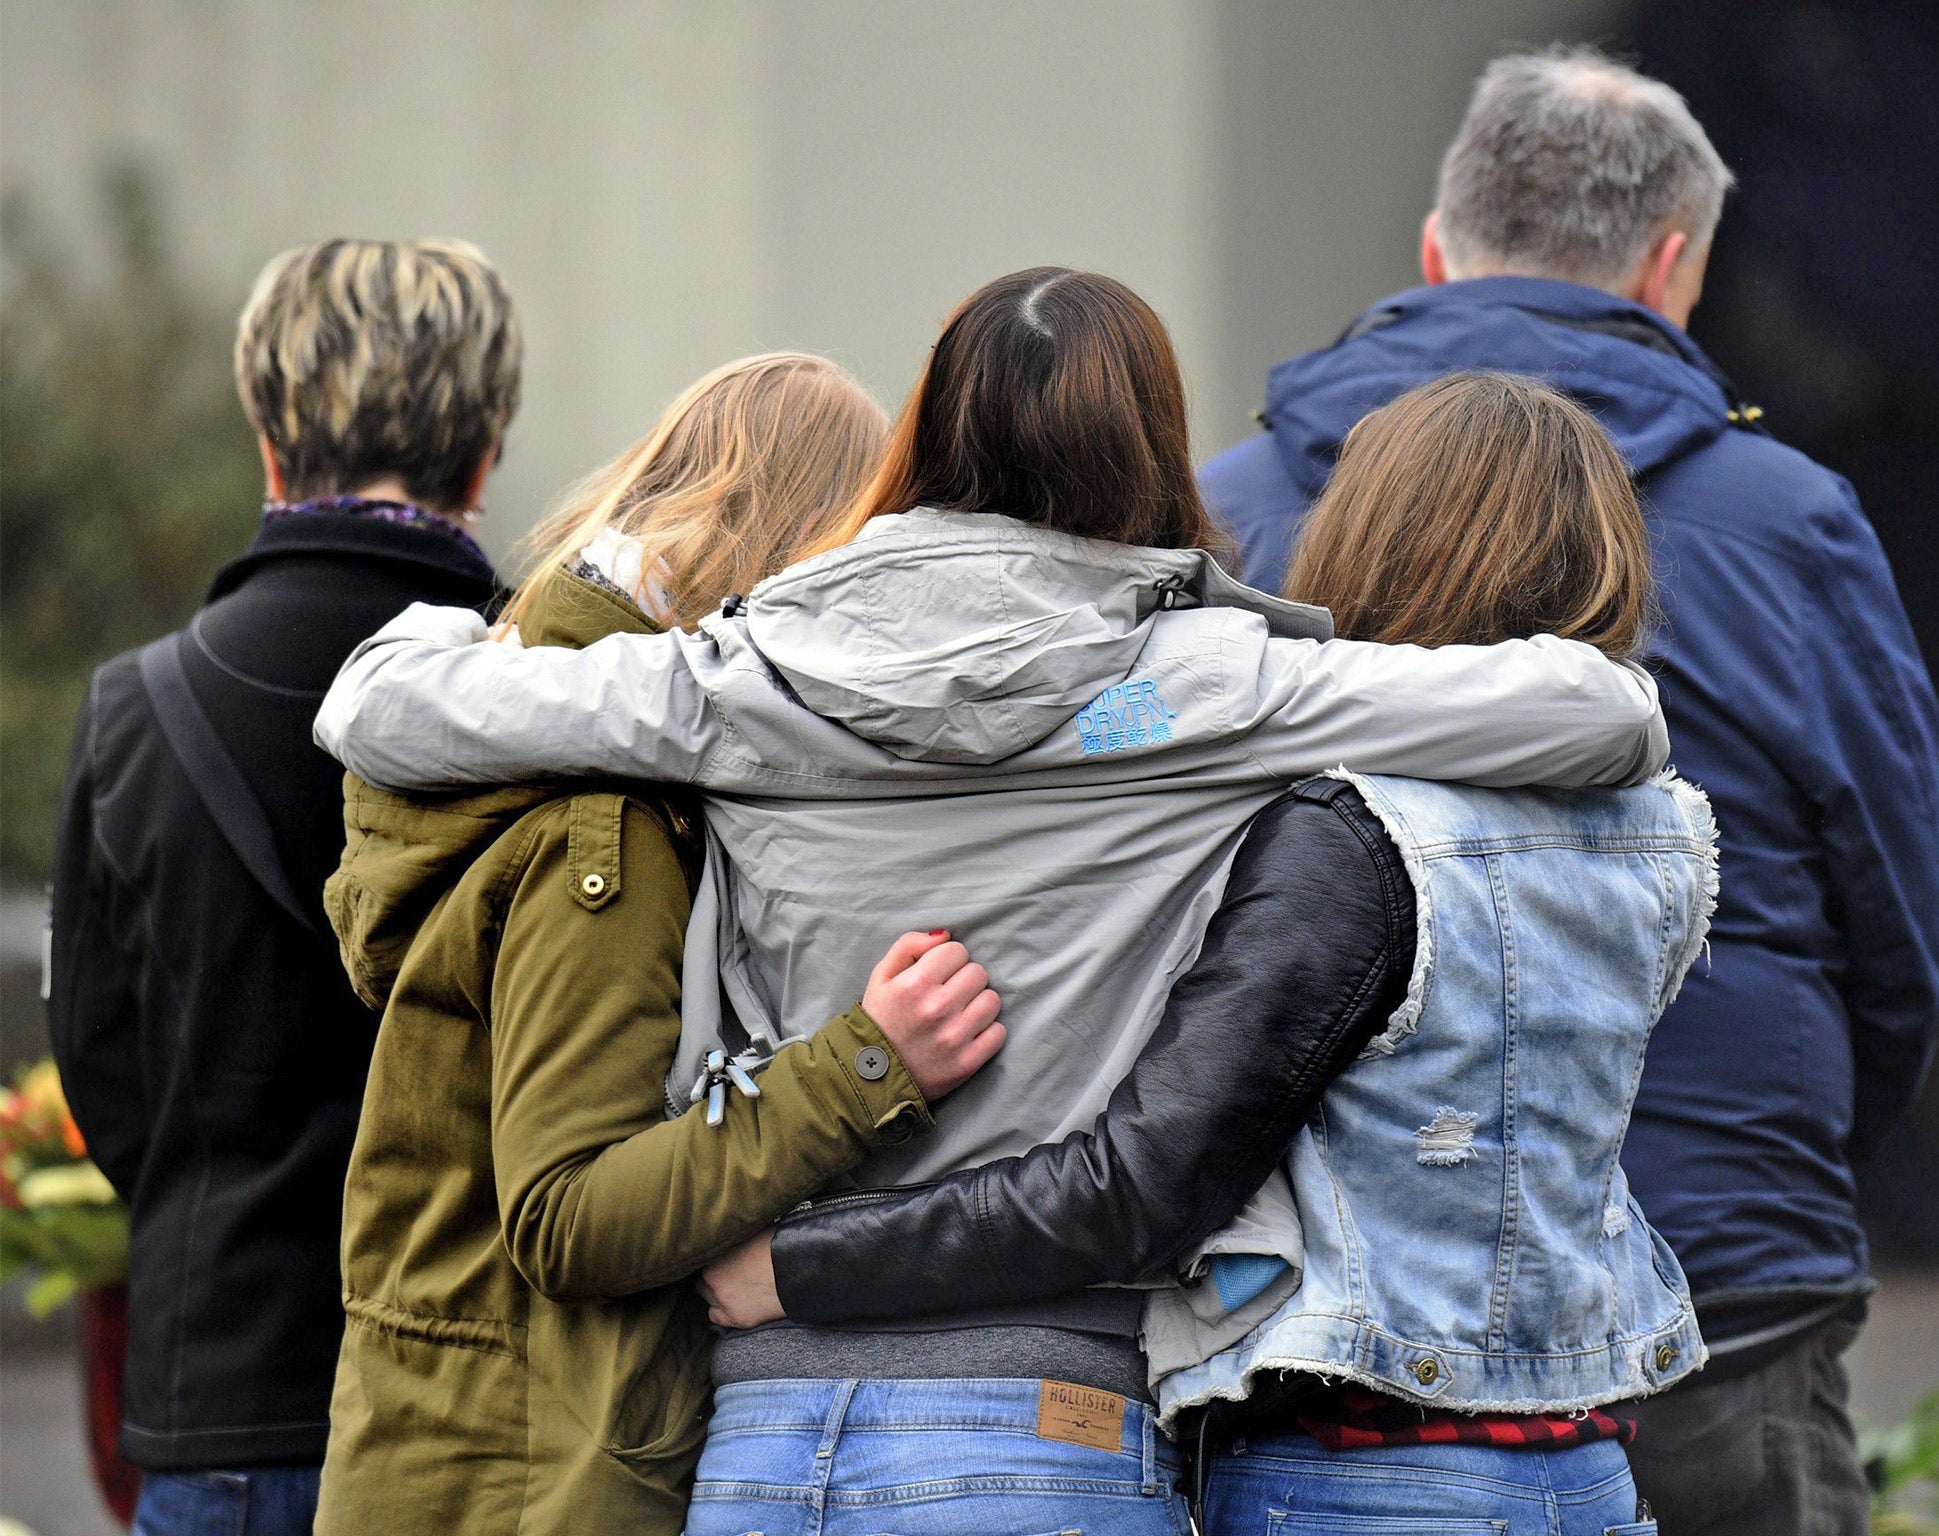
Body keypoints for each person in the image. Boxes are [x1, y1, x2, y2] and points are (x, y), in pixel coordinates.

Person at [314, 266, 1670, 1533]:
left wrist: (440, 624)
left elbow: (380, 711)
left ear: (923, 435)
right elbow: (1600, 716)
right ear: (1151, 448)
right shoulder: (1220, 687)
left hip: (763, 1436)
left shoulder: (748, 677)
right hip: (1047, 1425)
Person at [698, 373, 1707, 1536]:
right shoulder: (1663, 832)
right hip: (1582, 1466)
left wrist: (799, 1263)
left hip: (1358, 1471)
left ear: (1374, 538)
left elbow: (1145, 1184)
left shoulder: (1352, 838)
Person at [1200, 50, 1939, 1536]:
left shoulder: (1226, 509)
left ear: (1435, 249)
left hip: (1334, 1312)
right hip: (1723, 1266)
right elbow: (1895, 927)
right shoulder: (1791, 523)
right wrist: (1777, 1164)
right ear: (1674, 267)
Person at [312, 353, 1006, 1535]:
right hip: (533, 1481)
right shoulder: (609, 834)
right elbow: (567, 1214)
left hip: (453, 1460)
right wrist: (864, 1067)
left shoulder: (525, 741)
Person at [44, 238, 516, 1536]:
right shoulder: (564, 691)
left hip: (224, 1396)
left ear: (268, 440)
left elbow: (100, 1062)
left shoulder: (133, 711)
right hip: (483, 1413)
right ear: (483, 458)